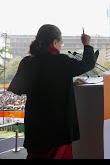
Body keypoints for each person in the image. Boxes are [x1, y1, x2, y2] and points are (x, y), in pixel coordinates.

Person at [8, 24, 96, 159]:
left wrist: (65, 81)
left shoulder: (27, 62)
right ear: (55, 42)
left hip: (35, 128)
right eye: (61, 42)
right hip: (57, 130)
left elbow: (21, 88)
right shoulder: (61, 61)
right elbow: (88, 64)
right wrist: (87, 44)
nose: (61, 46)